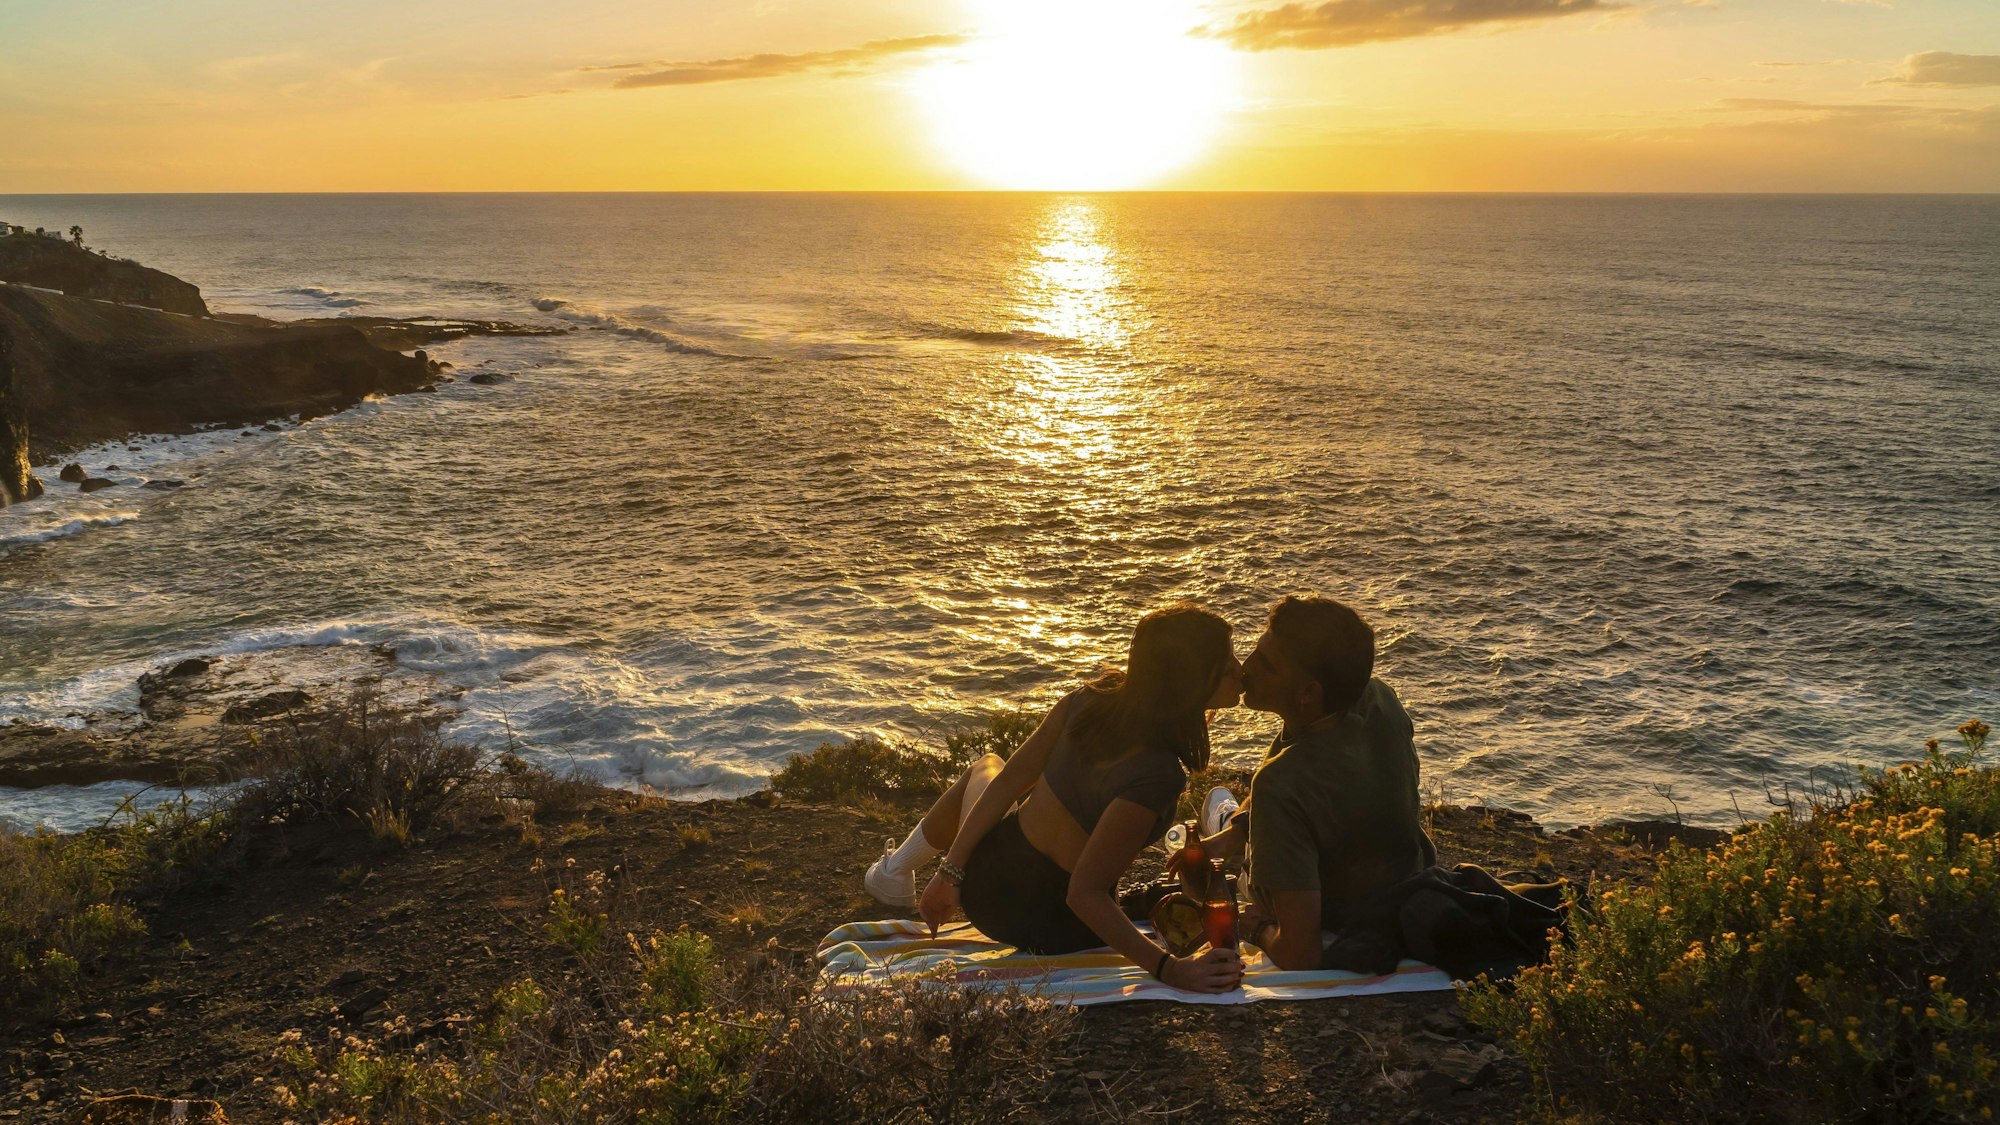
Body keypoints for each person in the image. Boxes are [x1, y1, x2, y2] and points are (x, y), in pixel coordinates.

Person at [863, 603, 1247, 993]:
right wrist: (1170, 969)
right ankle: (896, 872)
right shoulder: (1158, 775)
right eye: (1226, 660)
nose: (1240, 668)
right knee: (992, 769)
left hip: (987, 891)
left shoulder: (1088, 701)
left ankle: (895, 871)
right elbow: (1084, 894)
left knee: (990, 767)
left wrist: (953, 872)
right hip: (1058, 925)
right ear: (1190, 679)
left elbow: (1012, 780)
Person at [1199, 595, 1435, 971]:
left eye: (1267, 665)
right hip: (1403, 879)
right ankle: (1236, 827)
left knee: (1224, 808)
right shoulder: (1379, 699)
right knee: (1243, 816)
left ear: (1307, 692)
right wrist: (1246, 826)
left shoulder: (1281, 783)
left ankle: (1230, 826)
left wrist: (1255, 926)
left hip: (1333, 909)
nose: (1246, 669)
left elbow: (1300, 953)